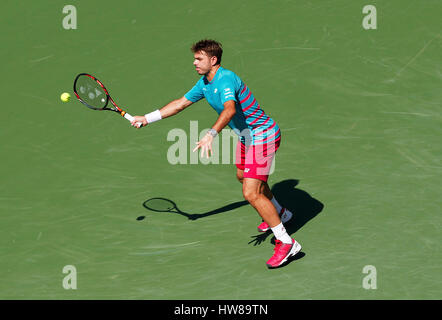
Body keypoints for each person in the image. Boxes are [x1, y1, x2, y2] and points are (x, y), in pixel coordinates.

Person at [131, 39, 301, 268]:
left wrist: (211, 133)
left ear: (213, 60)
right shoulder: (204, 83)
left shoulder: (226, 78)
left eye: (199, 58)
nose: (194, 63)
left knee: (251, 192)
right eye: (194, 58)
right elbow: (180, 103)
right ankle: (281, 213)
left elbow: (230, 109)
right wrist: (147, 118)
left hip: (263, 136)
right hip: (247, 137)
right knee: (243, 177)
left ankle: (286, 242)